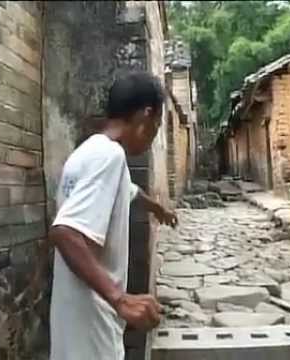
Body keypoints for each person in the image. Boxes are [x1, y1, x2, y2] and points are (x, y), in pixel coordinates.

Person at [48, 72, 178, 360]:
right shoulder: (110, 158)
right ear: (146, 116)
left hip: (72, 317)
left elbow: (127, 191)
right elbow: (64, 232)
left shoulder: (89, 152)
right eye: (157, 125)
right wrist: (120, 299)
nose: (154, 134)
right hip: (93, 322)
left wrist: (157, 209)